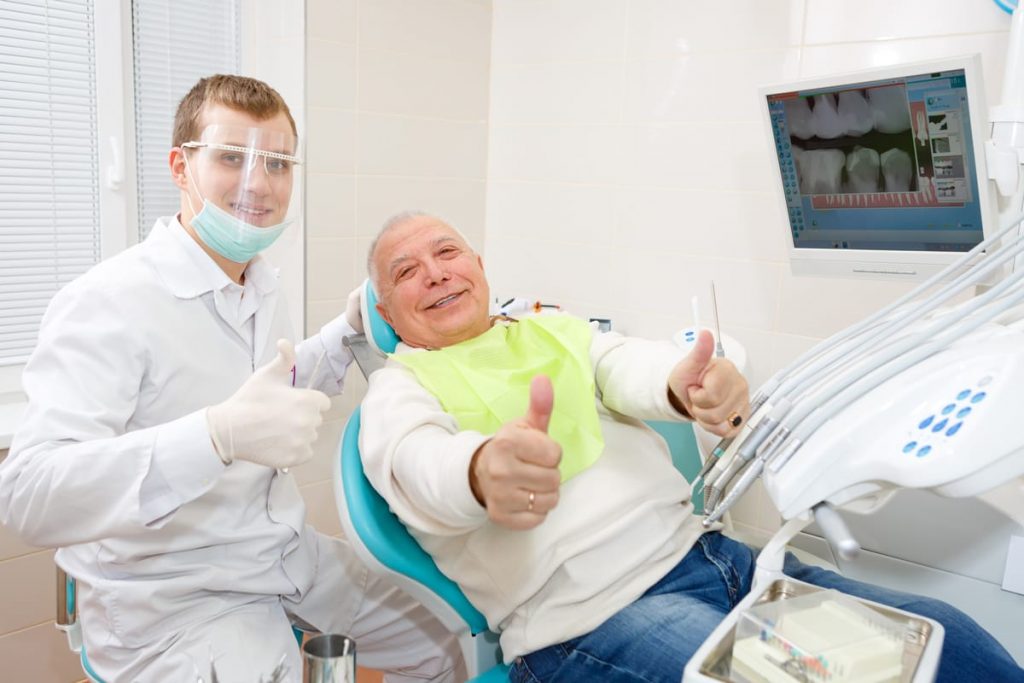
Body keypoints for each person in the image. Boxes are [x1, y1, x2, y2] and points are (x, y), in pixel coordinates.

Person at [359, 211, 1024, 683]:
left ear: (478, 263)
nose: (436, 274)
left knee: (943, 639)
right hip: (589, 619)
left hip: (719, 561)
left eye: (447, 253)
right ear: (388, 313)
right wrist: (481, 472)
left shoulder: (554, 331)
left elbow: (635, 369)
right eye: (407, 271)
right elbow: (420, 465)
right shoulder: (398, 392)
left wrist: (690, 384)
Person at [0, 77, 461, 682]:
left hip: (283, 555)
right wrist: (215, 437)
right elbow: (29, 495)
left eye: (275, 162)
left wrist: (345, 333)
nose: (257, 182)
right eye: (230, 157)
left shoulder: (260, 281)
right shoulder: (108, 302)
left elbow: (267, 392)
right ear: (180, 166)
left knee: (447, 646)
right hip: (171, 600)